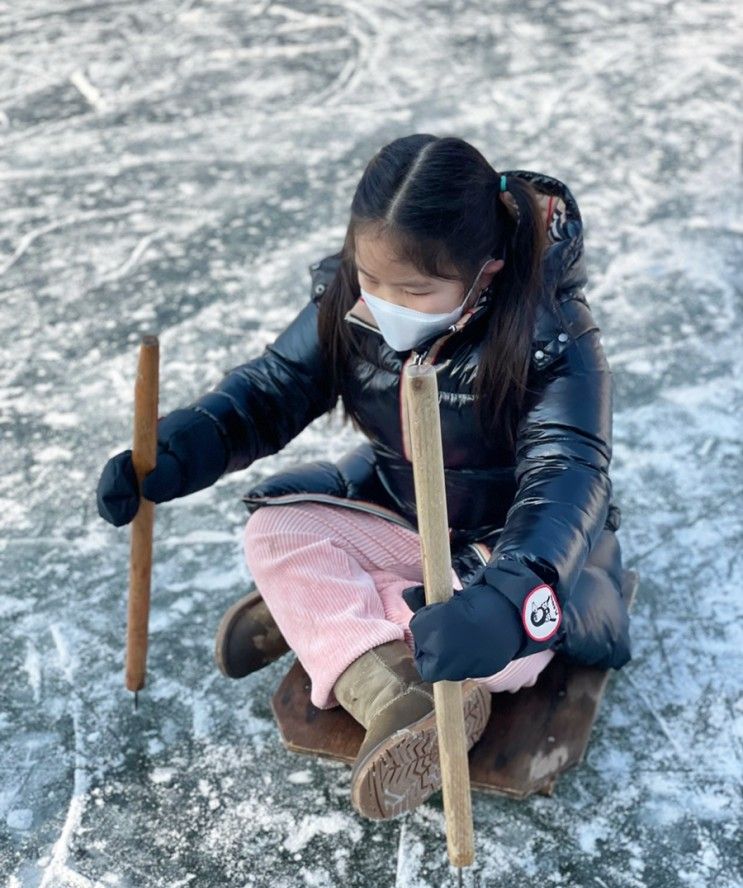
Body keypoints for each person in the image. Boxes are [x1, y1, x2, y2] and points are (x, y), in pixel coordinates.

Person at [97, 134, 632, 821]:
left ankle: (333, 616)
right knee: (274, 528)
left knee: (509, 659)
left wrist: (505, 604)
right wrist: (180, 449)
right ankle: (383, 679)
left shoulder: (554, 342)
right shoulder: (350, 302)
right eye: (370, 278)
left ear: (486, 270)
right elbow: (271, 391)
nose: (382, 304)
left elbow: (568, 476)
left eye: (413, 290)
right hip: (397, 513)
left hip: (503, 551)